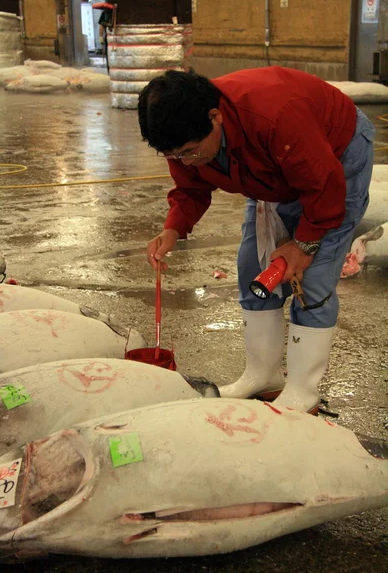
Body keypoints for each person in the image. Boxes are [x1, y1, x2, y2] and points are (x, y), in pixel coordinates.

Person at [138, 67, 375, 414]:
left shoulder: (275, 116)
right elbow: (190, 186)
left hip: (335, 158)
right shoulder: (185, 135)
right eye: (173, 156)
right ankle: (263, 375)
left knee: (312, 281)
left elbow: (324, 188)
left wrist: (304, 245)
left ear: (215, 117)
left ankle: (302, 392)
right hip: (269, 169)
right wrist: (173, 227)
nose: (184, 161)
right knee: (254, 268)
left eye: (189, 151)